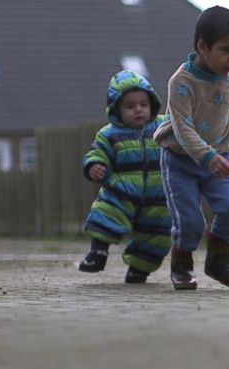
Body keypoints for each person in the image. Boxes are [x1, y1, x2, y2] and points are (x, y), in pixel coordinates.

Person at [153, 5, 229, 291]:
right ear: (202, 46)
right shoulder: (182, 82)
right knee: (190, 222)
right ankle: (182, 266)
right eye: (226, 50)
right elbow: (183, 128)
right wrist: (207, 156)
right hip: (180, 160)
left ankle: (218, 262)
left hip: (219, 157)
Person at [78, 70, 170, 284]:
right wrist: (94, 165)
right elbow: (96, 152)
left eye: (143, 104)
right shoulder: (109, 134)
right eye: (130, 106)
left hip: (159, 196)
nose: (138, 109)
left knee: (158, 234)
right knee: (106, 211)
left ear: (152, 104)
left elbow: (184, 128)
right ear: (116, 109)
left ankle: (140, 269)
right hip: (123, 189)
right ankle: (98, 253)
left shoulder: (163, 126)